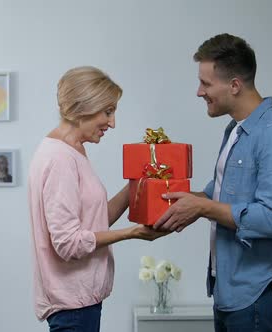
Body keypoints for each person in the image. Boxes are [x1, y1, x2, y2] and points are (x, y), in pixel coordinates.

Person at [154, 33, 272, 331]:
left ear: (235, 85)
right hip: (229, 290)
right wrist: (168, 199)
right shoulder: (236, 132)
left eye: (206, 83)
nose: (199, 92)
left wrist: (201, 208)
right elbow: (218, 194)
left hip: (257, 294)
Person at [28, 66, 170, 332]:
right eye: (107, 112)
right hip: (72, 307)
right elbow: (68, 243)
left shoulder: (73, 151)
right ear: (83, 107)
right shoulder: (60, 159)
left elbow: (93, 221)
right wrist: (131, 233)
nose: (112, 123)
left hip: (81, 303)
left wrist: (137, 185)